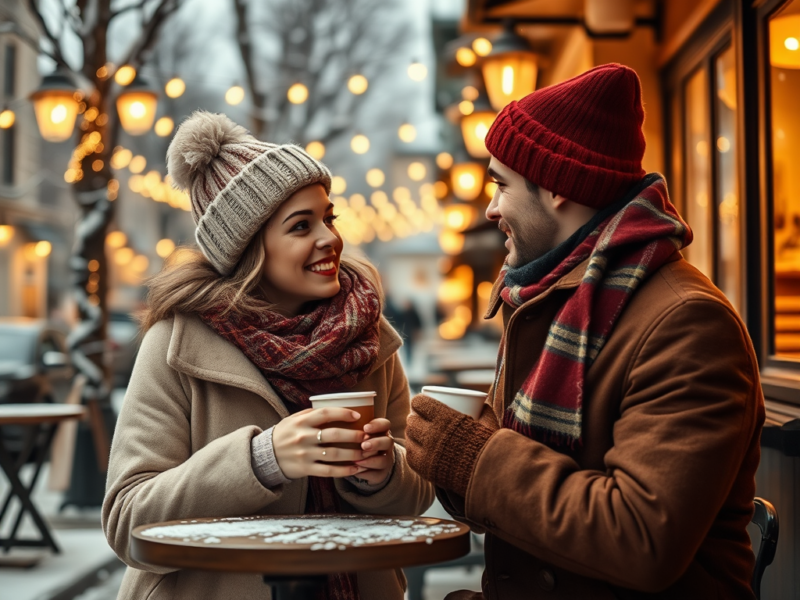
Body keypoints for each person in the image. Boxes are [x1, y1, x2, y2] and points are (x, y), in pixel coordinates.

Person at [405, 64, 764, 599]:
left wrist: (477, 458)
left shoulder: (688, 324)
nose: (490, 208)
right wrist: (455, 457)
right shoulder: (549, 301)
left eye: (501, 184)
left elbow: (641, 539)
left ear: (555, 189)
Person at [102, 111, 433, 600]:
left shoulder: (368, 336)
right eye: (301, 226)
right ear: (248, 247)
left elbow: (415, 494)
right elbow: (128, 521)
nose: (330, 238)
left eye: (328, 217)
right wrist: (261, 460)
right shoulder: (176, 342)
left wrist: (384, 474)